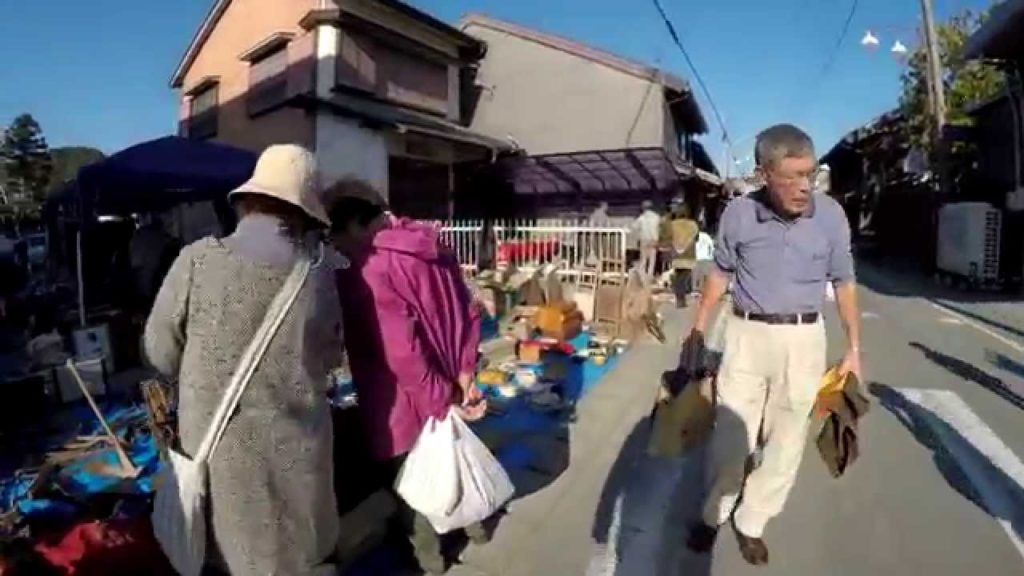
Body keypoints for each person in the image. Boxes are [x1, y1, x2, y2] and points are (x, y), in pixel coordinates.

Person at [144, 145, 343, 576]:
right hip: (298, 455)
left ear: (246, 201)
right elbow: (330, 359)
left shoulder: (195, 261)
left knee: (227, 555)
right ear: (305, 213)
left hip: (219, 458)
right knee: (296, 554)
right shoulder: (319, 275)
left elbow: (159, 352)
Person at [685, 124, 861, 566]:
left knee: (786, 441)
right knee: (730, 436)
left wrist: (855, 347)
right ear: (764, 174)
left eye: (810, 174)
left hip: (804, 339)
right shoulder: (739, 215)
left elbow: (844, 281)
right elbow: (720, 273)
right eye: (792, 177)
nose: (805, 187)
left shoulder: (832, 216)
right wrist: (698, 328)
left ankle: (752, 522)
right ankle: (715, 513)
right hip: (746, 335)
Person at [326, 179, 488, 575]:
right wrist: (463, 376)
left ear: (351, 227)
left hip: (400, 399)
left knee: (412, 485)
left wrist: (437, 400)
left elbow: (403, 352)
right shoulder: (431, 246)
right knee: (454, 457)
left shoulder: (368, 270)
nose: (338, 252)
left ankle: (429, 561)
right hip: (451, 378)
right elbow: (469, 311)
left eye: (336, 240)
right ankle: (478, 526)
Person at [631, 200, 661, 279]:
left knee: (643, 259)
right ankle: (650, 276)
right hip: (654, 240)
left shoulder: (642, 218)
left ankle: (642, 277)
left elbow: (634, 227)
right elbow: (660, 228)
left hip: (644, 240)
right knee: (652, 260)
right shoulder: (657, 217)